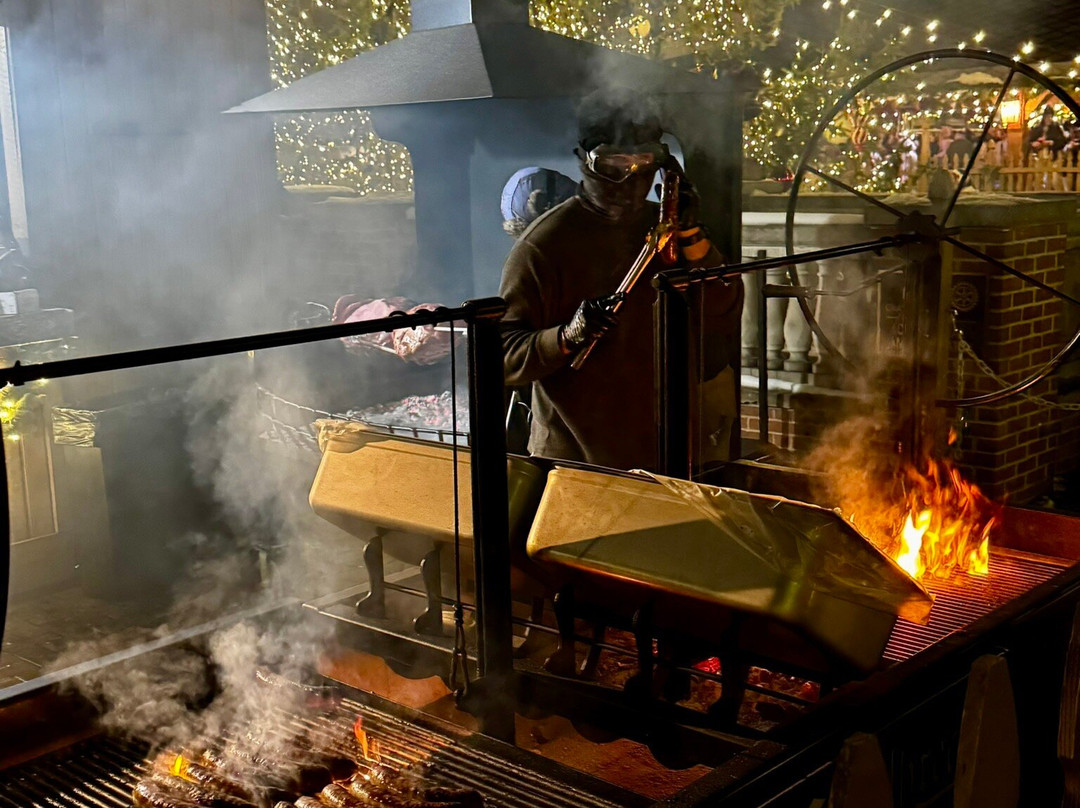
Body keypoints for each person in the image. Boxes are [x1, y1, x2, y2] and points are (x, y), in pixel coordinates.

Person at [497, 93, 743, 471]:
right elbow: (502, 355)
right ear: (586, 161)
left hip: (667, 447)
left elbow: (724, 311)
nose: (629, 178)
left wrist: (692, 234)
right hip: (575, 459)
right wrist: (566, 337)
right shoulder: (544, 245)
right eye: (614, 163)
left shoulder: (668, 229)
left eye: (642, 162)